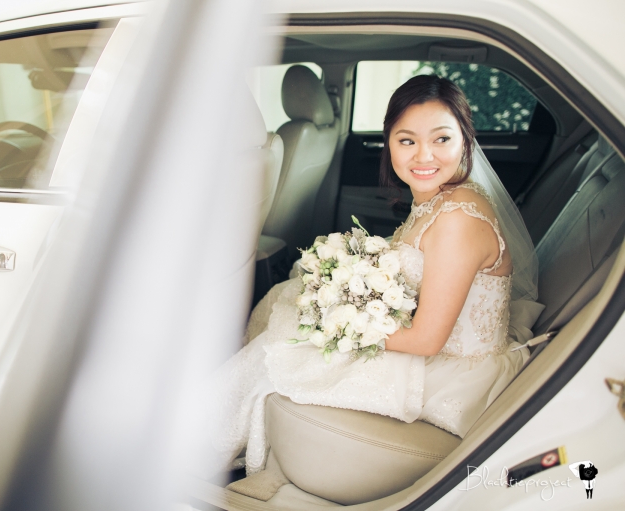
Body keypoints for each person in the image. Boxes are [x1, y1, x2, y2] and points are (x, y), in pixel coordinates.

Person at [203, 75, 544, 477]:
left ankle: (196, 450)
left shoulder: (458, 219)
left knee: (280, 350)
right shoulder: (441, 198)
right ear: (389, 144)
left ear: (465, 141)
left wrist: (339, 326)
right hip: (430, 346)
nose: (424, 156)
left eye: (441, 139)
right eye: (407, 140)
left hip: (449, 371)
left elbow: (426, 340)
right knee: (287, 302)